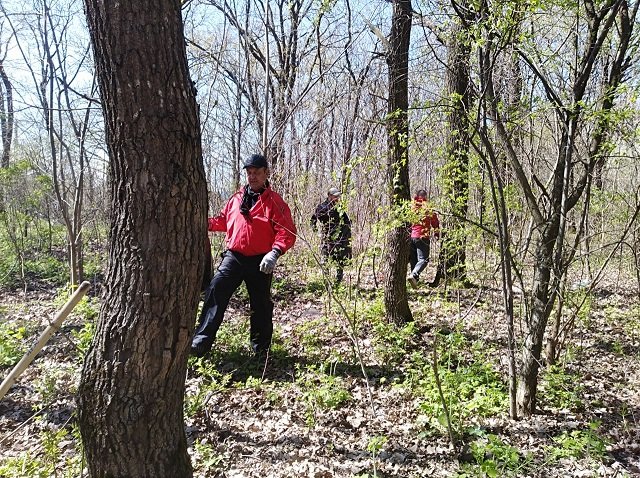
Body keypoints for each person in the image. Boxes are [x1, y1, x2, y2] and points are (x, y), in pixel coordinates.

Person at [191, 154, 297, 358]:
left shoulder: (274, 201)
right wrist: (204, 223)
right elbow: (223, 221)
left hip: (260, 260)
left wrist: (275, 252)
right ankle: (201, 342)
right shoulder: (236, 198)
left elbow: (287, 231)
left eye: (257, 172)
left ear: (266, 173)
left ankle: (261, 351)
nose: (252, 176)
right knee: (215, 290)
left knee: (261, 305)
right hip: (234, 257)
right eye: (249, 173)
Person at [310, 187, 352, 284]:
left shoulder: (339, 208)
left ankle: (338, 282)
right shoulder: (322, 207)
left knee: (339, 260)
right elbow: (313, 221)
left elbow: (347, 221)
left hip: (339, 239)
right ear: (329, 196)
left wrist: (345, 233)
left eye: (338, 196)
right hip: (326, 238)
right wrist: (317, 233)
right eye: (335, 196)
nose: (337, 198)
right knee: (325, 260)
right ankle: (327, 282)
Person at [408, 189, 439, 288]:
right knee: (423, 260)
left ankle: (414, 281)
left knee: (414, 260)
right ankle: (414, 275)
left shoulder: (411, 206)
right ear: (425, 197)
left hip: (412, 237)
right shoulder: (427, 207)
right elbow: (435, 221)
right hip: (422, 236)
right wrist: (437, 233)